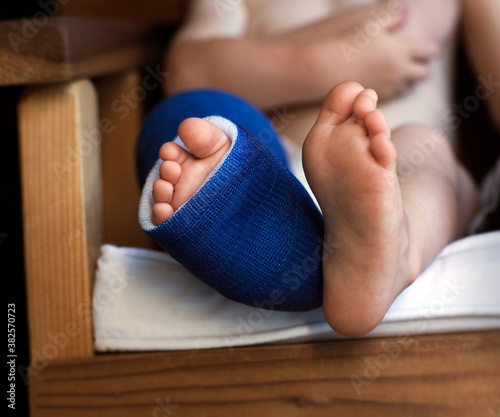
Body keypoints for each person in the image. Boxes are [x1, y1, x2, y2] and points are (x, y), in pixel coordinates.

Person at [138, 0, 499, 337]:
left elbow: (417, 28)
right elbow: (187, 71)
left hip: (410, 177)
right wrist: (327, 62)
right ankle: (286, 241)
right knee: (195, 120)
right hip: (271, 181)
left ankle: (399, 248)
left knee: (425, 149)